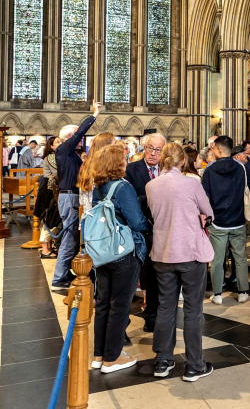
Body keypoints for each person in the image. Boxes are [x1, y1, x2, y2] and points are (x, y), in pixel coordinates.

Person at [146, 142, 215, 382]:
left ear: (162, 159)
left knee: (165, 307)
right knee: (193, 311)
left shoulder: (151, 185)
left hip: (163, 253)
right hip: (190, 253)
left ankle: (163, 361)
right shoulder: (191, 183)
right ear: (182, 161)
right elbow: (208, 210)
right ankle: (195, 365)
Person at [90, 143, 151, 374]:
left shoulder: (97, 186)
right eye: (124, 159)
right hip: (122, 252)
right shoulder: (122, 186)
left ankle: (99, 355)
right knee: (120, 306)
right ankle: (112, 358)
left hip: (102, 251)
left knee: (104, 304)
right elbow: (136, 222)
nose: (127, 162)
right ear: (117, 163)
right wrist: (149, 225)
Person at [51, 102, 102, 290]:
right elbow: (80, 132)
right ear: (70, 137)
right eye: (77, 137)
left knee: (72, 238)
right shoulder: (63, 149)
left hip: (72, 196)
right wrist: (94, 115)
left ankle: (65, 271)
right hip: (69, 197)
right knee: (69, 238)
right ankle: (59, 277)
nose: (81, 140)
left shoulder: (71, 153)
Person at [125, 132, 166, 332]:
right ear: (144, 148)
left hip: (164, 229)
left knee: (157, 274)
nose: (153, 153)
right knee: (138, 274)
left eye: (158, 150)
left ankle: (154, 315)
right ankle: (124, 323)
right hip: (141, 229)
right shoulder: (132, 169)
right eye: (150, 148)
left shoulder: (167, 170)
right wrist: (151, 197)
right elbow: (129, 198)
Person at [201, 136, 249, 304]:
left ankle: (218, 294)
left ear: (219, 150)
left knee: (217, 260)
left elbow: (205, 197)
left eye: (213, 148)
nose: (212, 151)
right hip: (237, 218)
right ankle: (242, 292)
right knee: (240, 257)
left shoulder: (209, 169)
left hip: (218, 221)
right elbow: (244, 190)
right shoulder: (241, 167)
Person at [35, 136, 61, 259]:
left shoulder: (55, 156)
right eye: (58, 142)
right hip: (49, 190)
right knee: (48, 218)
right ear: (51, 146)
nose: (61, 143)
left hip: (53, 189)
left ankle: (49, 246)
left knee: (52, 219)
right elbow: (57, 172)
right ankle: (45, 249)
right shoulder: (51, 157)